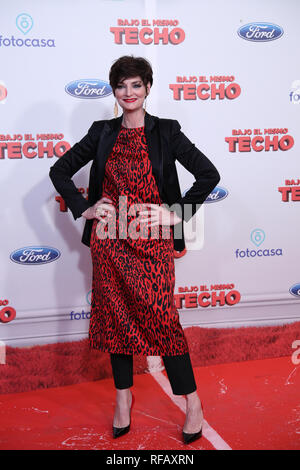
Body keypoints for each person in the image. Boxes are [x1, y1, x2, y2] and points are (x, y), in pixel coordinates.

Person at [49, 55, 220, 445]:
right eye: (121, 86)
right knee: (117, 320)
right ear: (114, 90)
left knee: (163, 320)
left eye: (136, 85)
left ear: (147, 88)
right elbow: (59, 170)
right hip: (109, 240)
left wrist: (176, 213)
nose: (129, 93)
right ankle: (122, 398)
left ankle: (192, 403)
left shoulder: (166, 131)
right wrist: (84, 208)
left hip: (151, 241)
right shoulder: (101, 131)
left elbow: (209, 174)